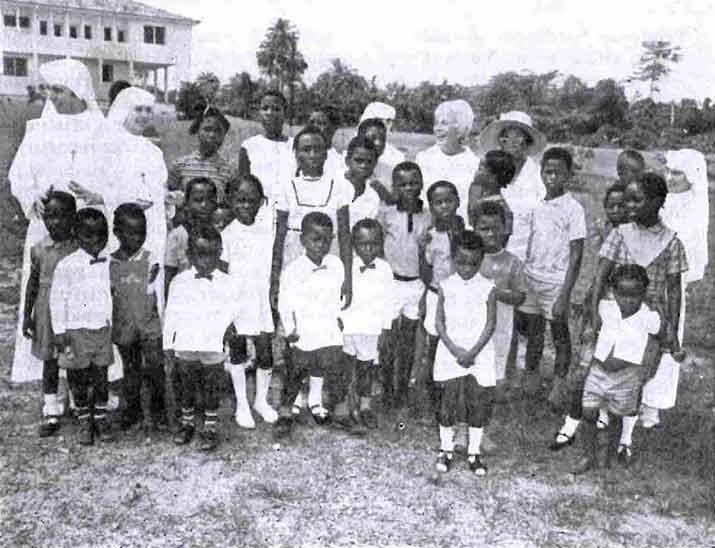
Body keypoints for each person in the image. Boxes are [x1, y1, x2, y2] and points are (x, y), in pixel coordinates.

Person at [9, 58, 121, 385]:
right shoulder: (39, 129)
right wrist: (33, 197)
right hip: (49, 226)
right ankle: (49, 383)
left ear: (77, 91)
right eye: (50, 90)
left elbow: (118, 178)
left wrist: (98, 194)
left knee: (88, 297)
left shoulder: (103, 131)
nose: (53, 97)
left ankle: (91, 374)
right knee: (47, 298)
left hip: (90, 229)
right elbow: (19, 174)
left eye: (59, 90)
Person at [592, 172, 688, 452]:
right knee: (609, 363)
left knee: (639, 372)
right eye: (627, 200)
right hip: (615, 313)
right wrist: (594, 314)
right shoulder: (620, 234)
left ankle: (626, 437)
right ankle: (604, 417)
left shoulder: (671, 242)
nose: (629, 207)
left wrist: (671, 329)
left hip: (649, 318)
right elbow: (600, 277)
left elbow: (675, 290)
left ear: (658, 202)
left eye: (637, 200)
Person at [550, 183, 628, 450]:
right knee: (582, 369)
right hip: (598, 308)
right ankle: (571, 421)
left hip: (625, 313)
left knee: (613, 368)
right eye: (611, 206)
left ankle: (605, 416)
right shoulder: (603, 232)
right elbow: (594, 276)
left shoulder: (636, 236)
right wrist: (591, 310)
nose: (617, 211)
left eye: (623, 205)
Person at [574, 265, 663, 474]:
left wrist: (651, 363)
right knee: (588, 412)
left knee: (616, 416)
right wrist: (589, 333)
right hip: (599, 369)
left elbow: (662, 332)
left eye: (635, 295)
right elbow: (591, 317)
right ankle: (588, 454)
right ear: (613, 292)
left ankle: (609, 455)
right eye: (623, 295)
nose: (628, 300)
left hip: (627, 374)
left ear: (644, 293)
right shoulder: (606, 307)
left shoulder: (648, 316)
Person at [163, 225, 241, 452]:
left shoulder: (228, 282)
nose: (206, 261)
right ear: (189, 255)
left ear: (220, 253)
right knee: (185, 384)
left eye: (212, 255)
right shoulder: (180, 282)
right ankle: (187, 422)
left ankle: (210, 425)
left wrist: (228, 331)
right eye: (200, 255)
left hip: (212, 343)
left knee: (211, 385)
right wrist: (168, 345)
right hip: (186, 343)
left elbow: (234, 312)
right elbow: (171, 315)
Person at [516, 147, 585, 398]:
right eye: (548, 172)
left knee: (559, 334)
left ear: (569, 176)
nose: (552, 177)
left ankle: (558, 385)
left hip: (556, 283)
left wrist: (565, 294)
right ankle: (531, 378)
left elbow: (577, 254)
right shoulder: (536, 205)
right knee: (534, 333)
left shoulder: (573, 209)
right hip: (533, 278)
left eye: (558, 173)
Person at [274, 212, 350, 437]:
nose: (321, 245)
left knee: (333, 368)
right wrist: (290, 329)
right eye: (315, 239)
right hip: (304, 329)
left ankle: (335, 409)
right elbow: (285, 303)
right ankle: (286, 411)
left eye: (326, 240)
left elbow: (340, 294)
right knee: (296, 370)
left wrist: (340, 317)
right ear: (303, 240)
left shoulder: (336, 264)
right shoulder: (293, 270)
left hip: (327, 327)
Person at [434, 230, 497, 476]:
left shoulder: (488, 287)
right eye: (461, 262)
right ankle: (446, 449)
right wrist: (454, 349)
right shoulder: (446, 285)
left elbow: (491, 324)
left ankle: (474, 452)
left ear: (481, 260)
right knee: (447, 402)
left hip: (478, 352)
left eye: (472, 263)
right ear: (452, 259)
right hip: (451, 351)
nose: (466, 268)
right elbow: (439, 322)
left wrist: (473, 351)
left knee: (476, 402)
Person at [50, 208, 114, 446]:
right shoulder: (67, 265)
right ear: (77, 235)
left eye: (101, 235)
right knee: (77, 377)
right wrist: (59, 331)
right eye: (88, 236)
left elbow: (111, 295)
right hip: (75, 331)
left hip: (101, 330)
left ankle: (100, 416)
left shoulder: (109, 261)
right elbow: (57, 299)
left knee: (100, 377)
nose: (95, 241)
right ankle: (84, 419)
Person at [221, 175, 278, 428]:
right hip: (237, 303)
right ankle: (242, 404)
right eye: (240, 200)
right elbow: (221, 275)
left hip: (261, 300)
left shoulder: (267, 230)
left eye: (252, 201)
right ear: (230, 201)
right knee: (238, 353)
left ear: (261, 202)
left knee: (266, 353)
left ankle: (261, 401)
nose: (246, 206)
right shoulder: (227, 234)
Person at [105, 86, 168, 310]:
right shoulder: (108, 146)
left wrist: (167, 197)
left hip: (152, 226)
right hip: (123, 226)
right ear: (124, 111)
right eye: (138, 109)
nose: (144, 115)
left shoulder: (154, 151)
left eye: (148, 110)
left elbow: (158, 187)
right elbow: (103, 187)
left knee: (150, 280)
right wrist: (129, 200)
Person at [21, 191, 78, 437]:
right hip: (46, 311)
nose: (55, 222)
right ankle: (51, 407)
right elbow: (32, 283)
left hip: (72, 310)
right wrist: (27, 315)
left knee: (76, 357)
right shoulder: (39, 248)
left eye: (61, 216)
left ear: (73, 218)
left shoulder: (78, 247)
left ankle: (77, 402)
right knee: (50, 360)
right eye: (49, 217)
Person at [376, 162, 431, 409]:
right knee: (387, 339)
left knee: (408, 339)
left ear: (421, 184)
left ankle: (402, 388)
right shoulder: (386, 213)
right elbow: (378, 242)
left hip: (416, 284)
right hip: (391, 282)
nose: (409, 188)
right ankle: (386, 387)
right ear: (395, 187)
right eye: (403, 184)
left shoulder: (428, 216)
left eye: (413, 183)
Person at [110, 204, 167, 433]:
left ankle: (159, 410)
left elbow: (155, 288)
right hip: (125, 324)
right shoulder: (110, 262)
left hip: (149, 324)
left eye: (142, 233)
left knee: (155, 367)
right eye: (131, 233)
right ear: (117, 233)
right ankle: (132, 409)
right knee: (131, 369)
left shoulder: (150, 258)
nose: (137, 238)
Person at [340, 219, 395, 429]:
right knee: (345, 368)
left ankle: (364, 405)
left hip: (371, 330)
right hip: (348, 327)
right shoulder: (347, 267)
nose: (368, 248)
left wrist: (385, 330)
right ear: (354, 244)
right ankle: (344, 405)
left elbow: (389, 302)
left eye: (373, 243)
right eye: (363, 244)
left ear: (381, 244)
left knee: (366, 369)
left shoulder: (385, 270)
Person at [417, 181, 465, 420]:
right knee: (435, 347)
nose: (444, 206)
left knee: (456, 345)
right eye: (438, 202)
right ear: (431, 207)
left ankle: (455, 398)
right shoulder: (430, 236)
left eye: (449, 201)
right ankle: (435, 400)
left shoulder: (466, 232)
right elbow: (426, 271)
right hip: (437, 295)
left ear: (458, 202)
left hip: (460, 298)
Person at [472, 201, 527, 398]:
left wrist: (497, 293)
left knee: (498, 355)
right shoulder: (470, 257)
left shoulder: (512, 262)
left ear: (505, 229)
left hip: (501, 322)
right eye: (484, 229)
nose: (490, 234)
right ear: (474, 228)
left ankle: (497, 385)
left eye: (495, 228)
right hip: (473, 317)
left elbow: (520, 296)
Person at [478, 111, 547, 261]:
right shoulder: (488, 172)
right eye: (507, 136)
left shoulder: (538, 175)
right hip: (488, 251)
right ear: (500, 141)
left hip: (525, 254)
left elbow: (543, 221)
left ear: (527, 140)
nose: (512, 141)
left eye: (518, 136)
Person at [167, 105, 234, 220]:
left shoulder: (228, 171)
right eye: (207, 129)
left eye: (218, 131)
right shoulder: (180, 165)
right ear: (197, 131)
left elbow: (229, 206)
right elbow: (168, 197)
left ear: (223, 136)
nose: (212, 135)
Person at [416, 100, 480, 220]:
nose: (438, 129)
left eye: (444, 123)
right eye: (436, 123)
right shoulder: (423, 158)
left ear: (461, 129)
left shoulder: (475, 164)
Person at [238, 91, 294, 204]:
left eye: (276, 109)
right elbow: (243, 185)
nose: (270, 113)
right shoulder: (249, 146)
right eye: (265, 108)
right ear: (259, 113)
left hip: (290, 210)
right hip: (260, 210)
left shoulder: (295, 145)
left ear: (285, 113)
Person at [165, 178, 218, 292]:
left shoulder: (219, 234)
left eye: (210, 200)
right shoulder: (177, 236)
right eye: (198, 200)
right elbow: (169, 276)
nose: (204, 205)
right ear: (187, 203)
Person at [468, 150, 516, 238]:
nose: (476, 172)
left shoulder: (501, 208)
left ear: (492, 177)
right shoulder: (477, 193)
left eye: (480, 168)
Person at [356, 118, 401, 203]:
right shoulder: (343, 170)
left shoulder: (390, 172)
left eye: (382, 139)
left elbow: (396, 203)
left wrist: (382, 190)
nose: (378, 143)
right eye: (373, 138)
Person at [342, 136, 381, 228]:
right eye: (359, 161)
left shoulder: (374, 197)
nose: (364, 165)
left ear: (375, 164)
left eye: (369, 161)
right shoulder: (333, 184)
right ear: (347, 161)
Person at [359, 102, 405, 170]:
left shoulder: (397, 157)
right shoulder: (351, 152)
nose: (385, 126)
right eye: (378, 121)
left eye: (389, 121)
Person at [307, 105, 342, 175]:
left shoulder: (339, 162)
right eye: (311, 122)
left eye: (320, 123)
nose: (314, 127)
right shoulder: (295, 156)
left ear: (334, 128)